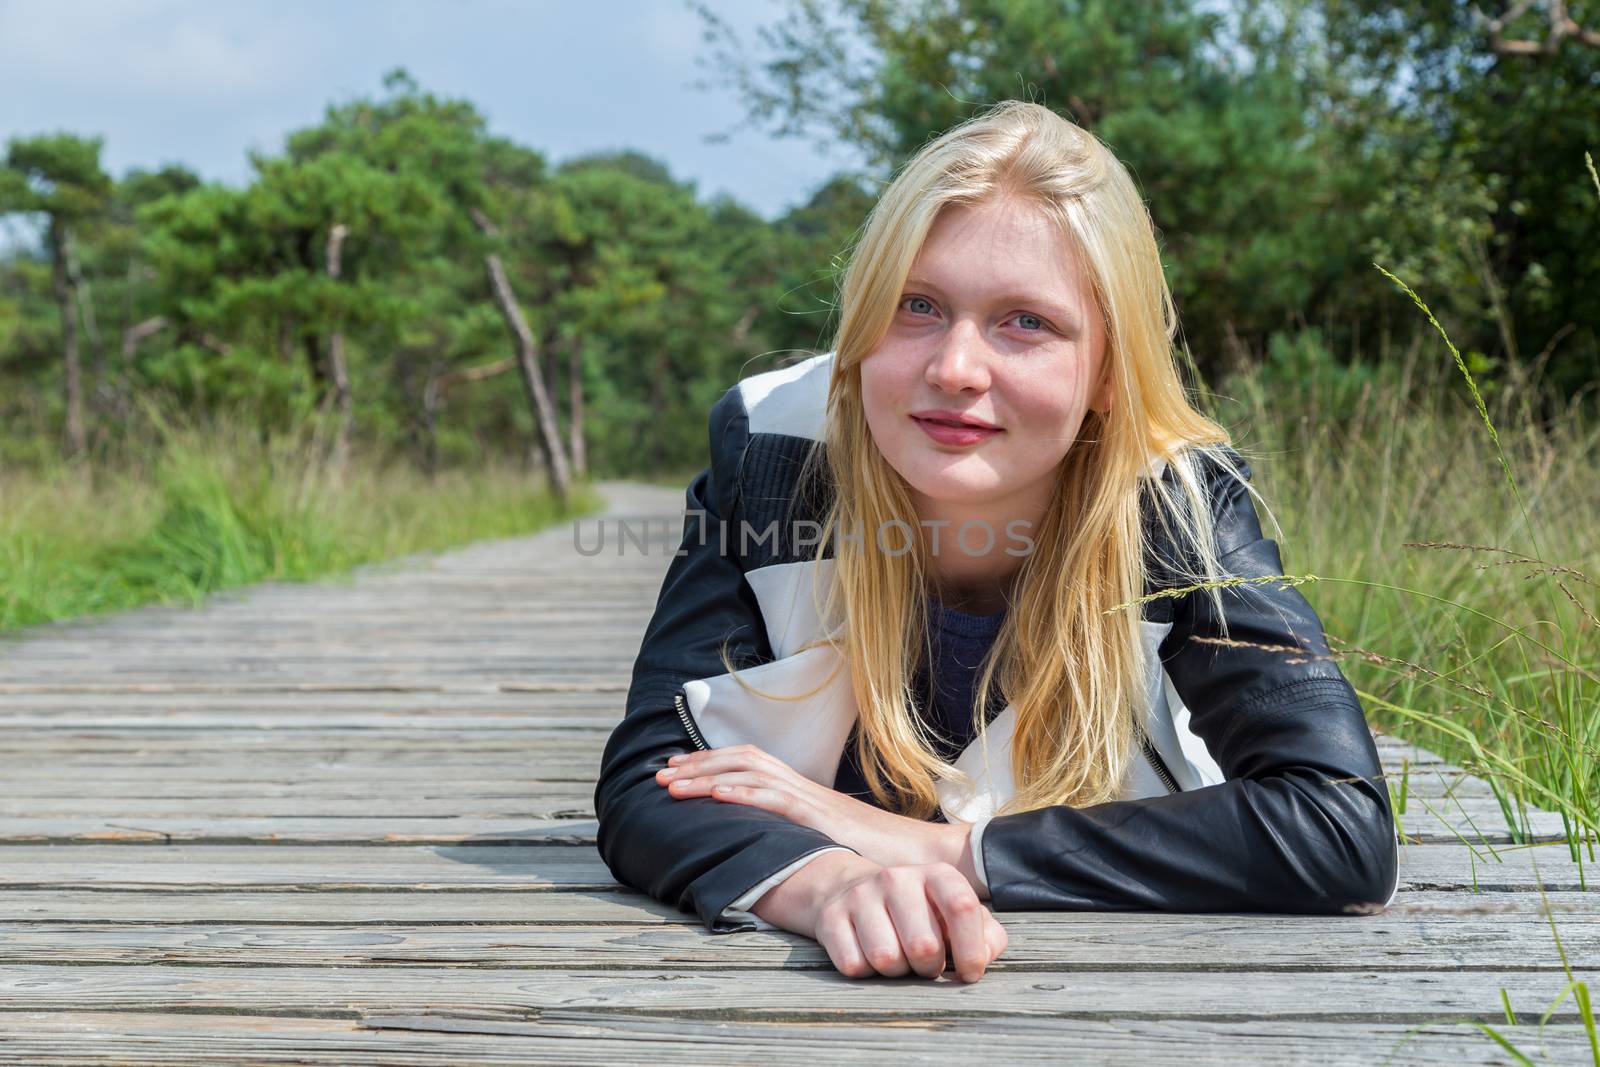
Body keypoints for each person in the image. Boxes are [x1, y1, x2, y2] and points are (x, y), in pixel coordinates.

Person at [593, 99, 1400, 985]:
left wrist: (941, 849)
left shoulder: (1180, 502)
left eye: (1027, 322)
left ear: (1106, 371)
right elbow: (651, 775)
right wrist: (825, 883)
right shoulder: (772, 449)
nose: (954, 368)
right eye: (918, 305)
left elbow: (1336, 826)